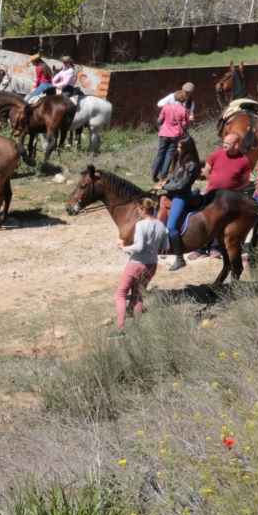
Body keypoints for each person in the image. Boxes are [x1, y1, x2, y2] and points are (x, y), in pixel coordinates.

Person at [187, 134, 253, 261]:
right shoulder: (216, 154)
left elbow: (245, 181)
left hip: (229, 199)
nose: (224, 145)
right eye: (224, 142)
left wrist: (234, 188)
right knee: (206, 221)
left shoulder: (243, 160)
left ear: (236, 145)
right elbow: (206, 170)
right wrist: (214, 183)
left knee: (221, 222)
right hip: (212, 194)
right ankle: (200, 248)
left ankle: (215, 248)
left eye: (227, 143)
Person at [111, 198, 167, 338]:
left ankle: (121, 329)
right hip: (152, 264)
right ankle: (136, 327)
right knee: (138, 295)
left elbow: (139, 246)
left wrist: (123, 248)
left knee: (121, 294)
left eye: (138, 209)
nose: (138, 212)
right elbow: (166, 246)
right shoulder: (161, 225)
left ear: (143, 209)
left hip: (137, 263)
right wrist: (152, 247)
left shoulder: (141, 225)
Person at [152, 135, 201, 271]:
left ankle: (180, 259)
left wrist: (163, 187)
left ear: (187, 148)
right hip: (172, 193)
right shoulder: (181, 160)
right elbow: (174, 177)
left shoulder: (192, 166)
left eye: (180, 147)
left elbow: (180, 186)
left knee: (172, 226)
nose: (178, 149)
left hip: (181, 197)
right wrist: (165, 181)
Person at [150, 91, 189, 183]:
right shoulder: (184, 110)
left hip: (164, 133)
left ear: (175, 97)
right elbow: (184, 126)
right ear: (184, 99)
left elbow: (159, 120)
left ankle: (153, 176)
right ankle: (163, 177)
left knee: (160, 154)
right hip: (176, 135)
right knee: (169, 155)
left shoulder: (166, 107)